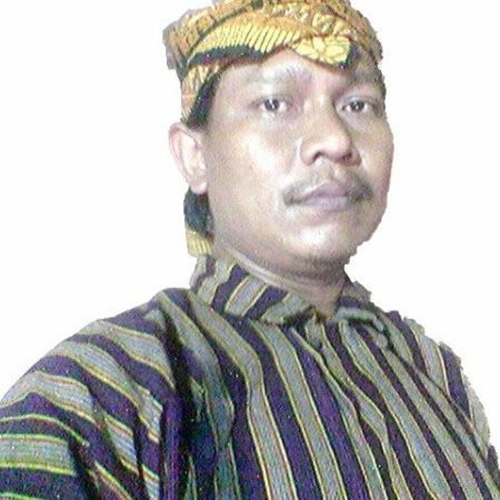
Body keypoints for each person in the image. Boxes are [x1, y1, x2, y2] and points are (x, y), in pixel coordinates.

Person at [1, 0, 499, 498]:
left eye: (357, 105)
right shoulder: (104, 392)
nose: (334, 140)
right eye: (275, 103)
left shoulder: (432, 369)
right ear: (195, 156)